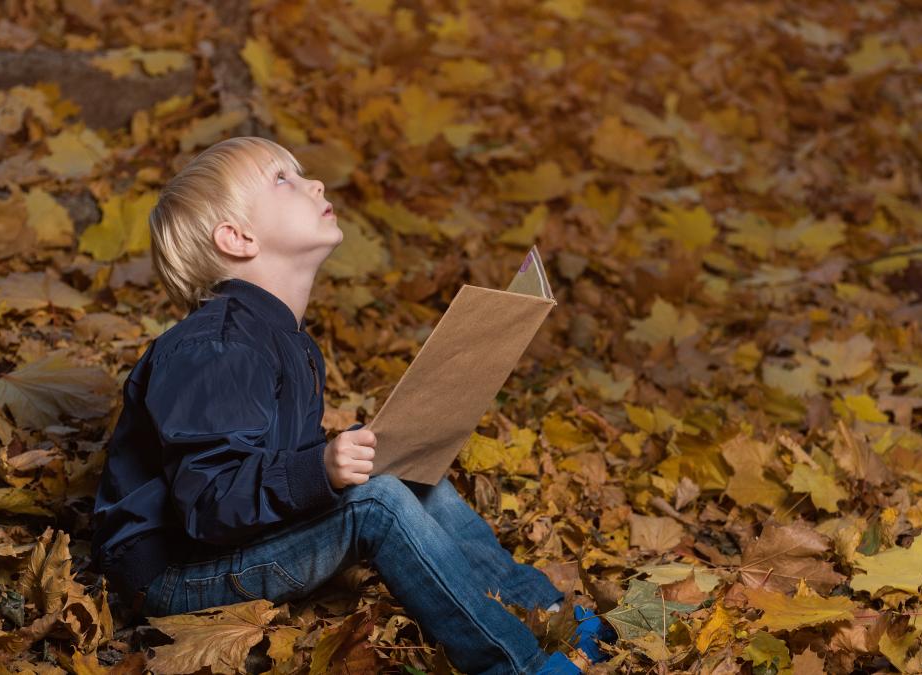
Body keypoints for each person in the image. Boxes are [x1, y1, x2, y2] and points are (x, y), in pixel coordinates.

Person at [87, 137, 614, 674]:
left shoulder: (281, 338)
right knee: (377, 501)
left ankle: (545, 612)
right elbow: (209, 503)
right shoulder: (218, 346)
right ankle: (515, 666)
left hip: (230, 545)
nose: (315, 184)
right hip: (173, 574)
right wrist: (318, 469)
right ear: (238, 238)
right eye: (283, 180)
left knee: (396, 464)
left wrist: (349, 458)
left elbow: (267, 464)